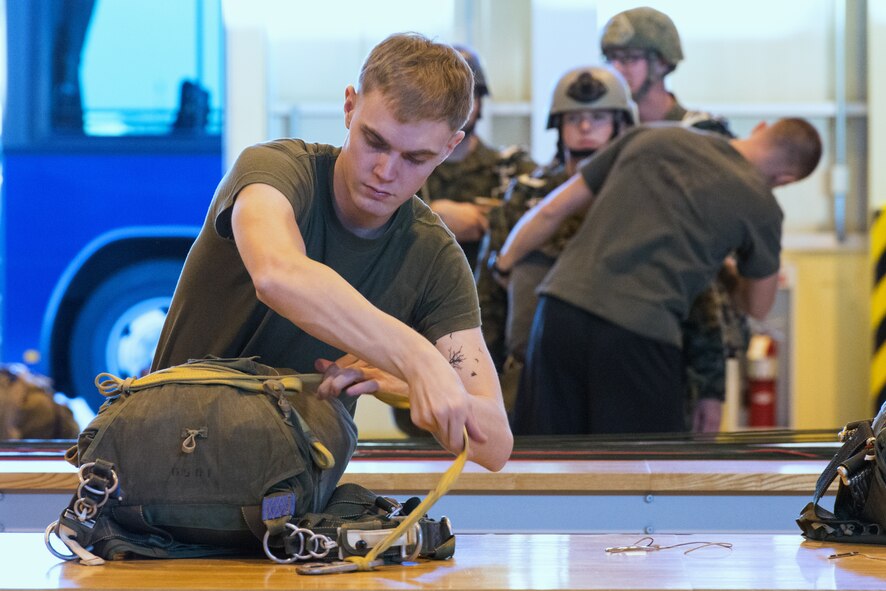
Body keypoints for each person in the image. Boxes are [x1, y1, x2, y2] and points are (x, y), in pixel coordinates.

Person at [151, 33, 513, 471]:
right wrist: (417, 360)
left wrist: (408, 383)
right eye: (374, 142)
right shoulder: (274, 173)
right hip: (171, 467)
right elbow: (278, 275)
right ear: (349, 106)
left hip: (291, 494)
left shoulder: (433, 254)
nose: (385, 172)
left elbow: (495, 444)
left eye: (415, 158)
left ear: (450, 147)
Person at [496, 118, 822, 435]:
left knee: (549, 458)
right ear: (785, 178)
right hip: (639, 333)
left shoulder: (653, 137)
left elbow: (553, 209)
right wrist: (719, 266)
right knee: (642, 468)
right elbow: (757, 305)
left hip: (559, 313)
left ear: (759, 128)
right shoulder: (762, 207)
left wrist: (504, 264)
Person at [601, 5, 740, 432]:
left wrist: (711, 388)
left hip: (696, 331)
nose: (617, 70)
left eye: (629, 59)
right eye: (612, 59)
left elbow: (715, 264)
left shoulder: (703, 135)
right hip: (625, 324)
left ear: (661, 63)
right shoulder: (611, 136)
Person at [478, 65, 636, 409]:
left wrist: (708, 389)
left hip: (618, 366)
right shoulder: (526, 195)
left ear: (620, 125)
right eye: (573, 118)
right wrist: (477, 379)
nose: (584, 128)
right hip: (531, 368)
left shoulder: (639, 195)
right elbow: (487, 299)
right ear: (558, 127)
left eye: (597, 117)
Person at [419, 45, 535, 269]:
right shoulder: (403, 166)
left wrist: (489, 222)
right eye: (445, 96)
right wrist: (432, 216)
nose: (456, 105)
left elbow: (548, 215)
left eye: (467, 95)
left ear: (480, 101)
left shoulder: (511, 169)